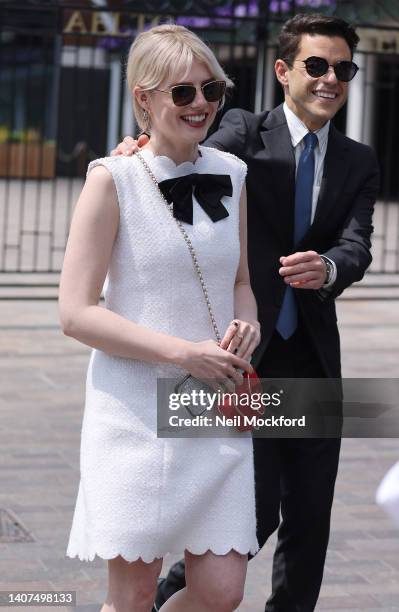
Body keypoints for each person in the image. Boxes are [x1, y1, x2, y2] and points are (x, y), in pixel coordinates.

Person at [113, 13, 380, 612]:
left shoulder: (359, 161)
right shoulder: (242, 130)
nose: (330, 79)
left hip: (312, 359)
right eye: (317, 65)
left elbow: (357, 242)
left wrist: (331, 268)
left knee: (310, 523)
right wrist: (138, 151)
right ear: (284, 72)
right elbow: (185, 151)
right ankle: (164, 601)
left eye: (343, 68)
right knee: (249, 517)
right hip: (244, 362)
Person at [59, 23, 262, 612]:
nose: (201, 104)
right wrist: (182, 353)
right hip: (134, 413)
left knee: (221, 594)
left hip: (213, 410)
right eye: (182, 92)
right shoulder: (111, 180)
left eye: (212, 89)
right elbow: (74, 314)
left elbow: (242, 281)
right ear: (144, 100)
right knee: (133, 597)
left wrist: (244, 324)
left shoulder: (233, 172)